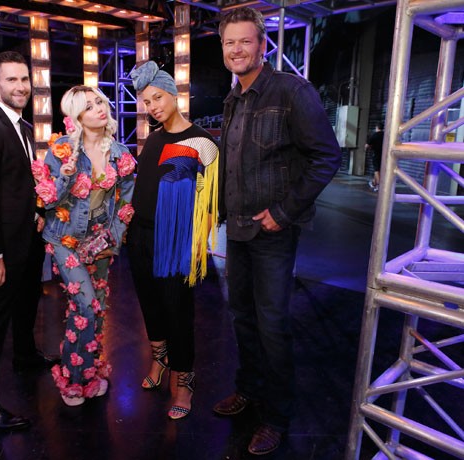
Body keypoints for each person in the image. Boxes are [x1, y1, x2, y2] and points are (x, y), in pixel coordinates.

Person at [213, 8, 341, 455]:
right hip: (238, 231)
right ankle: (249, 389)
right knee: (243, 318)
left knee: (272, 326)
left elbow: (327, 156)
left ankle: (276, 416)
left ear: (262, 44)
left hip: (272, 233)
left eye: (245, 41)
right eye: (229, 42)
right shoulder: (233, 98)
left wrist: (284, 212)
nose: (236, 50)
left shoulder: (291, 91)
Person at [128, 61, 219, 420]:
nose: (153, 107)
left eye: (158, 98)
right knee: (150, 305)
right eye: (147, 102)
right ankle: (159, 361)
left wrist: (198, 244)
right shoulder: (153, 140)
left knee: (178, 312)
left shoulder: (202, 141)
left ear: (174, 95)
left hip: (176, 238)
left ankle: (184, 381)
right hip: (140, 235)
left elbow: (211, 202)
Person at [34, 85, 136, 406]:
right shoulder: (62, 150)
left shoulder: (119, 152)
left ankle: (90, 373)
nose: (99, 109)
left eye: (100, 102)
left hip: (99, 239)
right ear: (76, 116)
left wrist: (113, 240)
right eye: (89, 106)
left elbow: (125, 202)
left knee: (96, 307)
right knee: (85, 306)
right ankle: (73, 380)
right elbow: (49, 202)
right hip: (64, 237)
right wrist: (65, 176)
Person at [0, 50, 51, 430]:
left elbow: (21, 185)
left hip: (28, 238)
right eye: (12, 79)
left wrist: (37, 211)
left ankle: (25, 356)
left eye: (24, 79)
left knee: (28, 302)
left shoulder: (24, 128)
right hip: (4, 247)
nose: (20, 86)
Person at [366, 122, 384, 192]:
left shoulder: (374, 135)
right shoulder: (385, 135)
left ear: (376, 127)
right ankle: (374, 183)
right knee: (379, 169)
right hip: (384, 155)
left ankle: (379, 186)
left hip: (376, 154)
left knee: (376, 170)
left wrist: (368, 148)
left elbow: (367, 145)